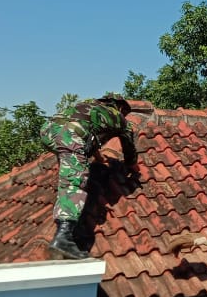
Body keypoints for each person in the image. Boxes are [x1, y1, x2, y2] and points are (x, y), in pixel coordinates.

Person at [39, 92, 139, 259]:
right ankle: (63, 238)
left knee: (71, 161)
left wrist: (98, 157)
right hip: (70, 134)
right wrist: (132, 165)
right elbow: (128, 141)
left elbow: (88, 132)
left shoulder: (87, 105)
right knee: (75, 180)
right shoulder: (116, 116)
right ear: (119, 106)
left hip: (48, 130)